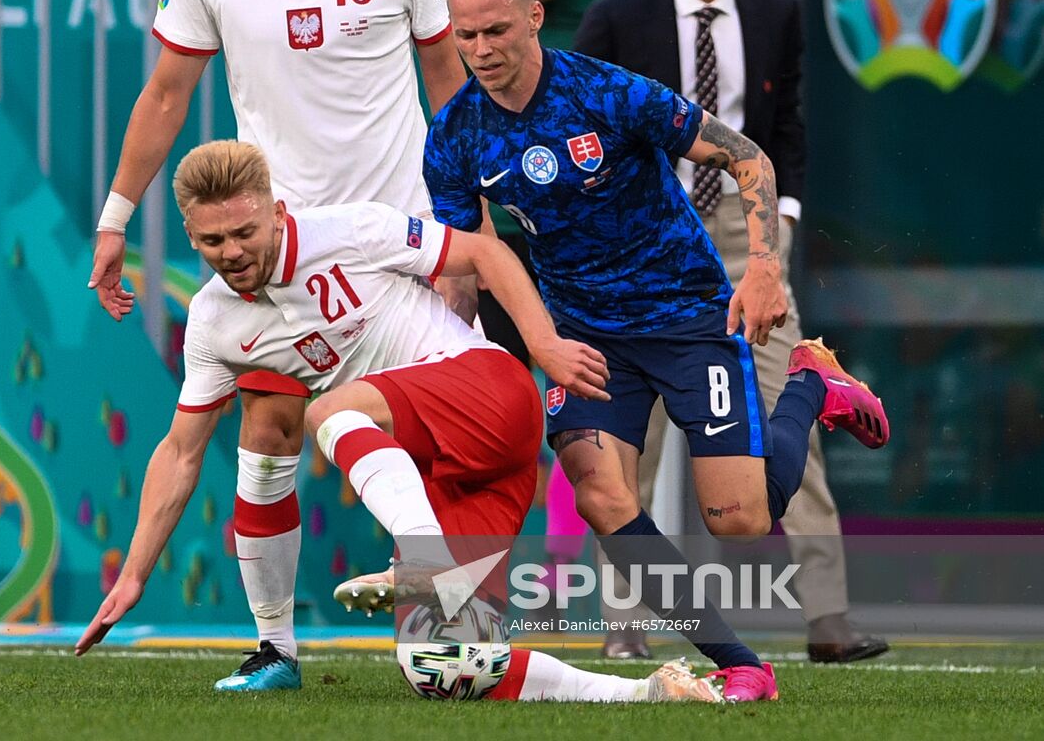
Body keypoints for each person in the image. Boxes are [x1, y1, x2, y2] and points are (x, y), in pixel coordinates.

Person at [75, 140, 720, 706]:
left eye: (245, 232)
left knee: (329, 409)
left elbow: (487, 258)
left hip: (489, 394)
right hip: (453, 472)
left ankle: (424, 558)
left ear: (276, 212)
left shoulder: (352, 229)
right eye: (213, 242)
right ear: (190, 236)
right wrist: (133, 574)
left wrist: (543, 345)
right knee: (448, 668)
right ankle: (649, 691)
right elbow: (182, 452)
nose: (233, 252)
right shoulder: (214, 322)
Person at [85, 0, 469, 689]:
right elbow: (167, 94)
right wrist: (115, 219)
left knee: (436, 446)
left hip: (403, 235)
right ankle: (275, 651)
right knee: (266, 433)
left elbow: (449, 87)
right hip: (282, 249)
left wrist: (462, 234)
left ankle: (452, 642)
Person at [422, 0, 891, 702]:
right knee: (600, 495)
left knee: (738, 519)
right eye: (465, 36)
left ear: (534, 17)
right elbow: (462, 259)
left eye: (496, 31)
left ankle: (809, 382)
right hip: (585, 339)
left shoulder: (608, 94)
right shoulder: (454, 137)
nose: (480, 51)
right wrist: (448, 358)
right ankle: (741, 665)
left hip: (685, 317)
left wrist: (764, 266)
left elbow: (746, 157)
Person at [574, 0, 887, 665]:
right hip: (643, 251)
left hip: (746, 243)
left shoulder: (776, 15)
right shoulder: (617, 20)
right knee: (624, 432)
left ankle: (827, 618)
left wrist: (770, 251)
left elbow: (786, 141)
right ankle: (623, 623)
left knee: (790, 415)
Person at [496, 0, 612, 610]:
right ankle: (486, 582)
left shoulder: (608, 20)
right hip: (501, 254)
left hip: (579, 255)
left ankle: (564, 582)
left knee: (576, 418)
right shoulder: (484, 21)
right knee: (497, 417)